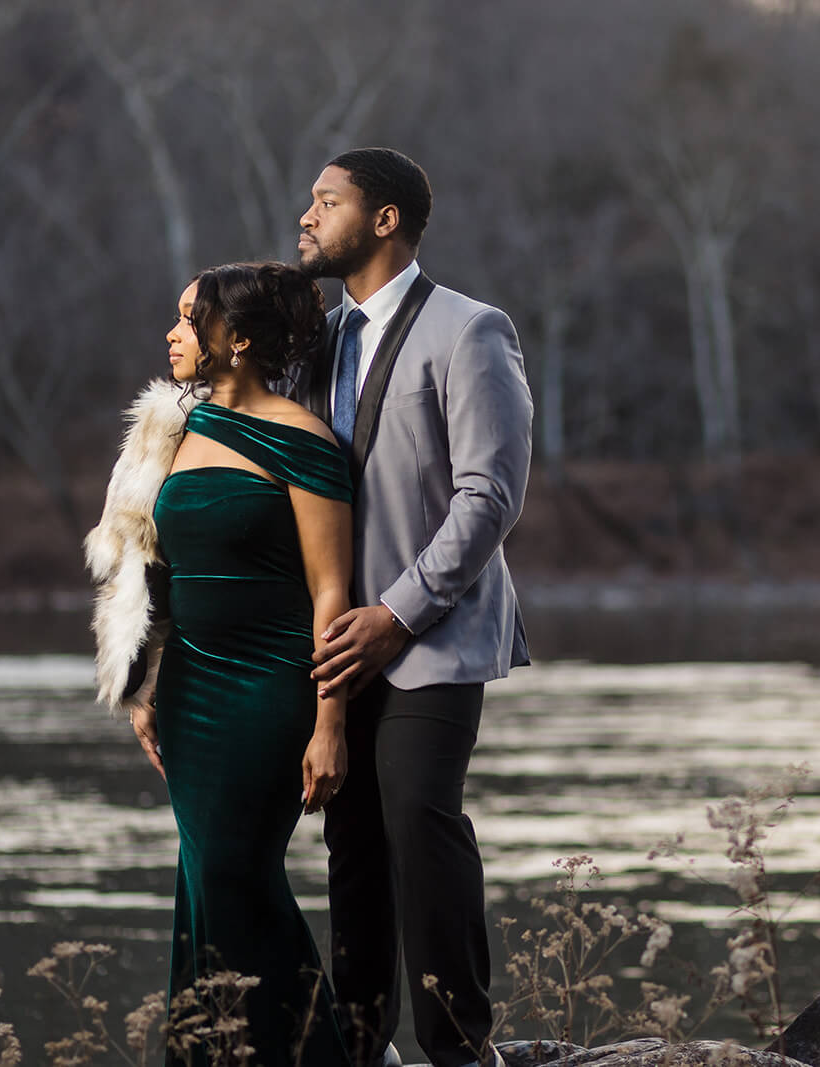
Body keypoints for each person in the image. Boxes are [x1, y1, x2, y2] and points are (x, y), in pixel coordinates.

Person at [292, 147, 533, 1067]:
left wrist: (395, 611)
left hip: (432, 636)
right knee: (349, 845)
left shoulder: (472, 330)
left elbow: (490, 496)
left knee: (420, 820)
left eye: (327, 201)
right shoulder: (315, 341)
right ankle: (361, 1047)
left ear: (384, 218)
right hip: (331, 647)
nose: (307, 216)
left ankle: (461, 1048)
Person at [85, 261, 355, 1067]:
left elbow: (331, 585)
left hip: (272, 689)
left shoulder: (305, 442)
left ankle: (314, 1055)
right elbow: (149, 564)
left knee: (238, 875)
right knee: (204, 879)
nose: (171, 334)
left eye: (186, 319)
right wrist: (146, 683)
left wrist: (330, 722)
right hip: (192, 687)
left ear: (235, 340)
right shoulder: (173, 428)